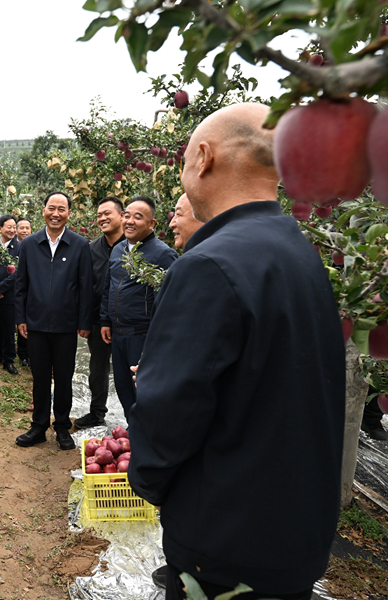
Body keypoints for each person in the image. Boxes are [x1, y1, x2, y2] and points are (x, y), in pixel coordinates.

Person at [128, 103, 345, 599]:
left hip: (225, 541)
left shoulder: (210, 263)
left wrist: (152, 484)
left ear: (203, 157)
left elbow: (171, 409)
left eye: (183, 161)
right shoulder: (296, 250)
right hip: (291, 532)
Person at [14, 192, 92, 450]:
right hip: (35, 324)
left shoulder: (80, 245)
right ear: (43, 210)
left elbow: (85, 287)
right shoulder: (29, 244)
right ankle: (38, 426)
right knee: (39, 377)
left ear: (70, 213)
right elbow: (21, 285)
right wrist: (21, 318)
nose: (55, 213)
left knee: (64, 376)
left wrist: (84, 321)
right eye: (51, 208)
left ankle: (61, 426)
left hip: (66, 325)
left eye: (61, 209)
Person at [99, 197, 177, 421]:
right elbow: (109, 286)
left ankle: (147, 435)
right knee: (123, 389)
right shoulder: (118, 249)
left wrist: (156, 340)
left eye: (138, 217)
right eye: (127, 215)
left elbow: (166, 305)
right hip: (118, 333)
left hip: (142, 335)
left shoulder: (163, 254)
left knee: (144, 390)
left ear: (152, 224)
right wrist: (105, 320)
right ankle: (133, 434)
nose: (130, 221)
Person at [74, 197, 125, 429]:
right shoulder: (91, 249)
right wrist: (84, 320)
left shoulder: (135, 246)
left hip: (128, 321)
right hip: (97, 320)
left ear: (122, 216)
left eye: (107, 213)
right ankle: (96, 412)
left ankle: (137, 416)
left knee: (130, 368)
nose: (102, 218)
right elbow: (84, 288)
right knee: (98, 368)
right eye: (99, 215)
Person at [0, 214, 20, 375]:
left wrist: (0, 288)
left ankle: (9, 359)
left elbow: (18, 273)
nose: (12, 230)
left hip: (8, 295)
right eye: (9, 227)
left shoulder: (19, 247)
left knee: (8, 328)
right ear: (0, 228)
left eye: (14, 227)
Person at [15, 218, 33, 366]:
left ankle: (27, 354)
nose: (24, 231)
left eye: (27, 228)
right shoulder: (13, 247)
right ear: (16, 230)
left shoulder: (34, 246)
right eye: (22, 228)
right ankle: (22, 354)